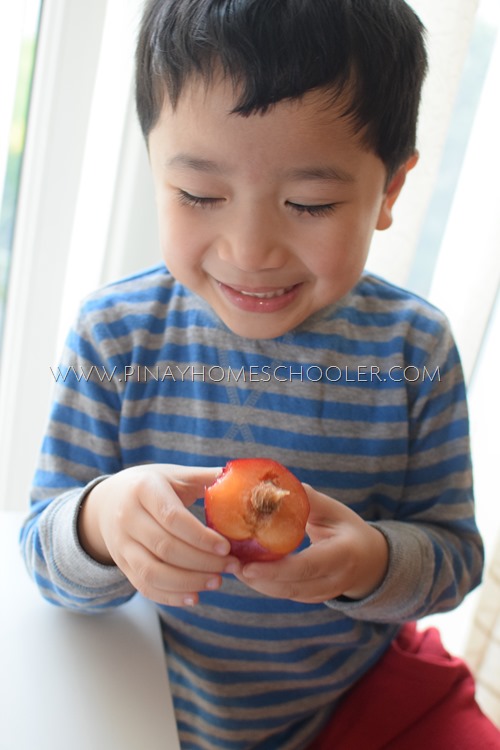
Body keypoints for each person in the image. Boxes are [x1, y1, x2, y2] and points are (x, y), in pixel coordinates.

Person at [20, 1, 500, 748]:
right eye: (199, 196)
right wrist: (103, 521)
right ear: (154, 164)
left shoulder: (415, 349)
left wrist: (371, 562)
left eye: (310, 203)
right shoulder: (115, 336)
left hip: (349, 697)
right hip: (144, 697)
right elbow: (42, 556)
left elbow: (455, 557)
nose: (249, 250)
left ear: (391, 192)